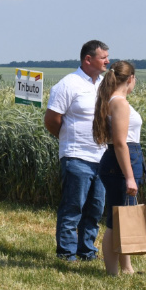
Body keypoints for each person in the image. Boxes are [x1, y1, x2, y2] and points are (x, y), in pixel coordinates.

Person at [44, 40, 109, 262]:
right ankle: (66, 253)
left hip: (101, 157)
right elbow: (52, 120)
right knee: (73, 208)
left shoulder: (103, 85)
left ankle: (87, 251)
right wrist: (68, 140)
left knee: (95, 209)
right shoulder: (68, 84)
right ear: (88, 59)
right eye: (103, 57)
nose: (107, 61)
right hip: (76, 156)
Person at [93, 61, 144, 277]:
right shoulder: (120, 103)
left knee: (124, 214)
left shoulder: (112, 100)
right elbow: (121, 142)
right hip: (122, 161)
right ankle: (112, 273)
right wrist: (130, 177)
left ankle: (127, 268)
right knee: (116, 219)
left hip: (120, 161)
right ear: (130, 78)